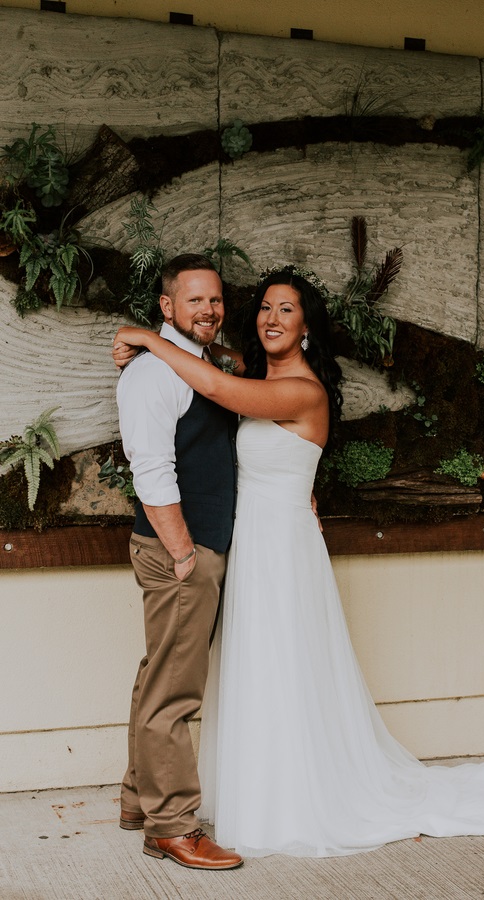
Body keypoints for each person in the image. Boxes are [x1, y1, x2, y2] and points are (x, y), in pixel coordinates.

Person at [114, 266, 484, 859]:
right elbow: (220, 403)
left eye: (286, 310)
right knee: (192, 671)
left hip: (280, 554)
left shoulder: (301, 390)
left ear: (307, 329)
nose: (271, 318)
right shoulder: (234, 366)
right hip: (248, 544)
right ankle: (152, 803)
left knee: (266, 671)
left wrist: (149, 337)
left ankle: (261, 799)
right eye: (265, 308)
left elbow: (222, 394)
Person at [115, 253, 242, 870]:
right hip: (179, 552)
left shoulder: (198, 361)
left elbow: (236, 368)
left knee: (158, 672)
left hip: (189, 547)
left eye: (215, 301)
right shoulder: (151, 375)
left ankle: (140, 798)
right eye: (195, 300)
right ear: (167, 307)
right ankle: (173, 825)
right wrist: (184, 551)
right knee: (176, 689)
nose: (209, 311)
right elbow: (151, 470)